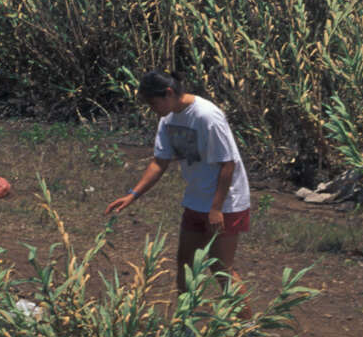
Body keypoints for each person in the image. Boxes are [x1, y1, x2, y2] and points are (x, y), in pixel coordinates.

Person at [105, 71, 253, 305]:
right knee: (185, 263)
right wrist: (132, 195)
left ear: (169, 93)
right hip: (196, 199)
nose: (153, 109)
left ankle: (250, 333)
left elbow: (228, 164)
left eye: (153, 103)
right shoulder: (169, 118)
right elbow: (159, 162)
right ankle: (185, 326)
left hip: (226, 203)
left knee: (221, 267)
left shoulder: (207, 116)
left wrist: (216, 209)